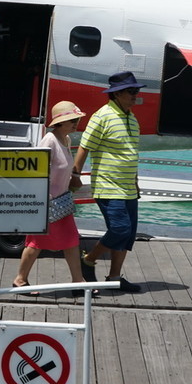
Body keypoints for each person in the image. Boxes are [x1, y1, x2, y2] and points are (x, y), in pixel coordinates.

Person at [73, 71, 144, 293]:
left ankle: (114, 278)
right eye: (132, 91)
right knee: (120, 229)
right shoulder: (102, 116)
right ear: (118, 94)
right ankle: (89, 259)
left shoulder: (131, 117)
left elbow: (130, 152)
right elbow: (85, 146)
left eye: (136, 91)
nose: (136, 95)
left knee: (128, 234)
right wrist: (75, 175)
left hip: (128, 187)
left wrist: (135, 181)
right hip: (108, 185)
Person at [13, 101, 89, 296]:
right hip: (47, 203)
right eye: (72, 120)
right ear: (60, 122)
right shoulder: (49, 140)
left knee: (70, 241)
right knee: (35, 243)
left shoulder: (66, 140)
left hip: (60, 202)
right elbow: (36, 170)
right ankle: (20, 280)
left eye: (76, 119)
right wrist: (41, 200)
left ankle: (77, 282)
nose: (76, 123)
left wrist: (74, 178)